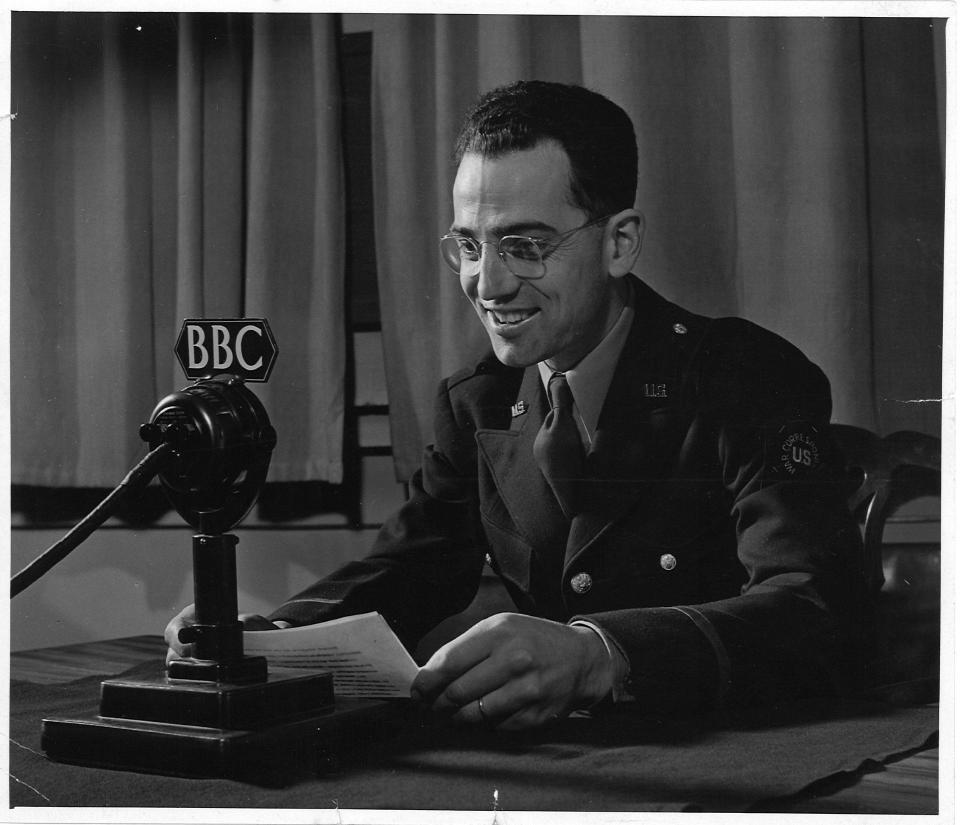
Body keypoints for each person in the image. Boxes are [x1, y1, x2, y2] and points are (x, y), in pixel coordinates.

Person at [166, 80, 867, 731]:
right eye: (468, 245)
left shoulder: (743, 377)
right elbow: (405, 568)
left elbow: (816, 607)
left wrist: (600, 655)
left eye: (524, 245)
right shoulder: (480, 403)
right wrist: (279, 636)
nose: (486, 283)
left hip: (725, 753)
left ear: (620, 243)